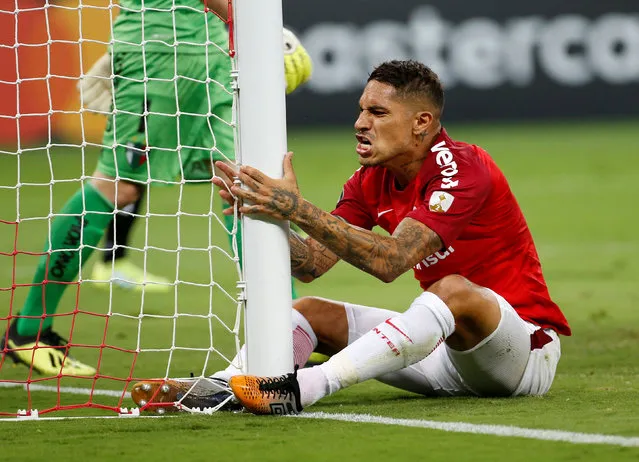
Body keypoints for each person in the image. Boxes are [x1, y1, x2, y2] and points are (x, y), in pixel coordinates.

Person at [130, 59, 570, 415]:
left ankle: (303, 388)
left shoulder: (463, 168)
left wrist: (297, 209)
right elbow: (312, 264)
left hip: (522, 353)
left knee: (451, 290)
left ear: (421, 122)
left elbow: (391, 261)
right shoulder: (368, 181)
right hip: (442, 354)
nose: (360, 122)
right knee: (309, 311)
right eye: (361, 109)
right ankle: (224, 388)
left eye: (378, 113)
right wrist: (262, 216)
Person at [0, 0, 312, 377]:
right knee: (119, 186)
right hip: (161, 46)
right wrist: (253, 26)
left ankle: (287, 329)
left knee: (245, 182)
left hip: (209, 43)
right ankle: (28, 331)